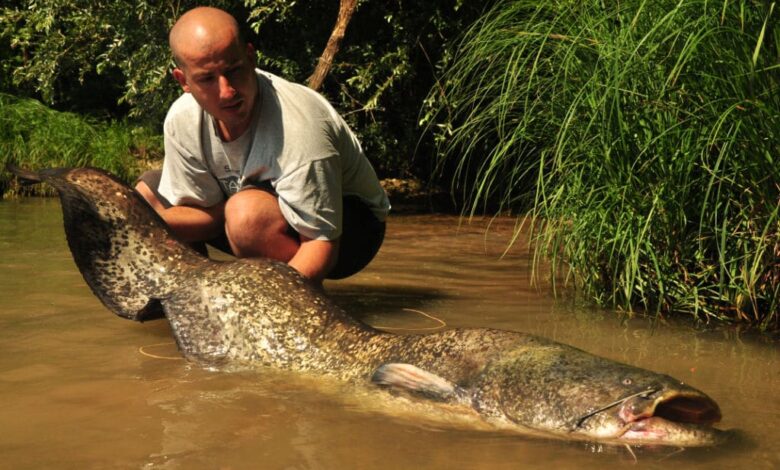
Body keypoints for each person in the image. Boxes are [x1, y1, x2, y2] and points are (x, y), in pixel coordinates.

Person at [135, 6, 390, 284]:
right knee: (145, 198)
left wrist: (259, 304)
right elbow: (203, 215)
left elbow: (321, 243)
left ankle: (291, 307)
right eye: (207, 79)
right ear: (183, 81)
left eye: (233, 70)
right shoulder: (182, 120)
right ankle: (187, 302)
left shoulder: (299, 125)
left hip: (350, 231)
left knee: (246, 216)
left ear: (251, 57)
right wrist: (136, 222)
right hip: (253, 208)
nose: (227, 91)